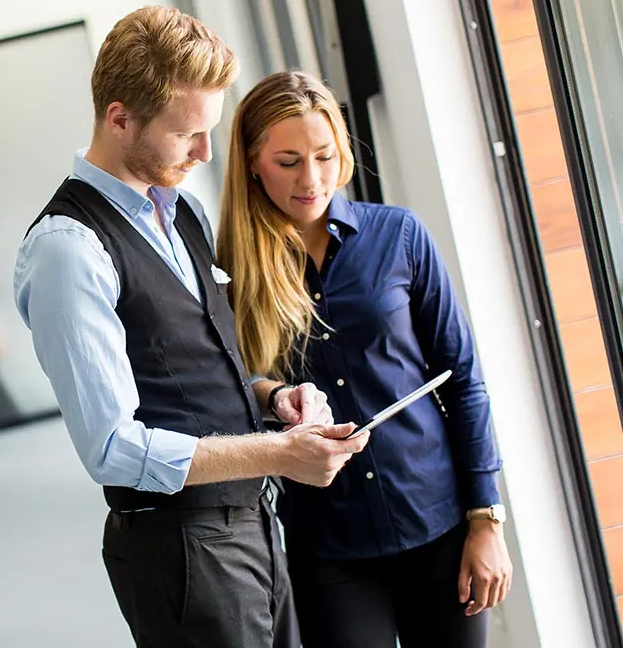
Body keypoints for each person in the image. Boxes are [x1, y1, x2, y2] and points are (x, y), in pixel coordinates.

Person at [13, 8, 369, 648]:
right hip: (181, 550)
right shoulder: (69, 250)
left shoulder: (183, 214)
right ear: (120, 118)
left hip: (253, 523)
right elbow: (113, 449)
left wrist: (270, 398)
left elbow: (192, 360)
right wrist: (279, 454)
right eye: (187, 136)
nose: (206, 153)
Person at [217, 70, 513, 648]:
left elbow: (464, 381)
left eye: (325, 156)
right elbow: (231, 379)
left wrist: (486, 519)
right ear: (252, 162)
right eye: (288, 161)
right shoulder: (229, 268)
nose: (311, 179)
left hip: (438, 524)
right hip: (329, 545)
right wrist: (274, 395)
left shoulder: (400, 235)